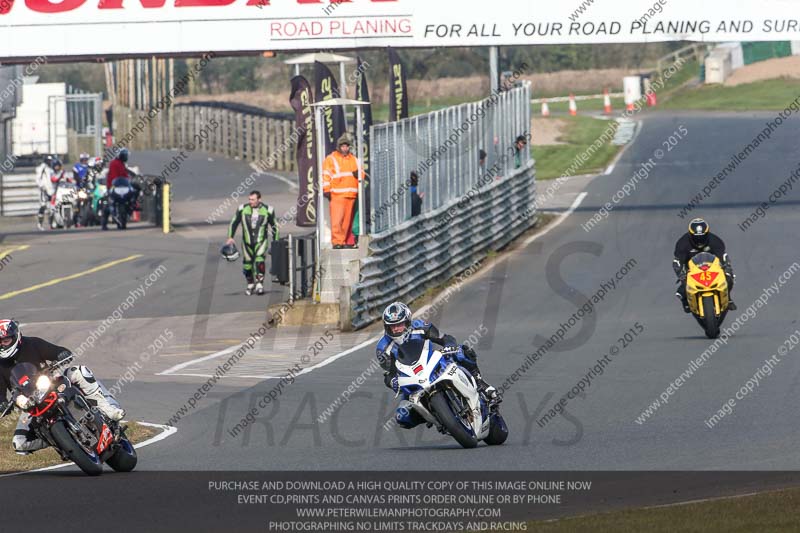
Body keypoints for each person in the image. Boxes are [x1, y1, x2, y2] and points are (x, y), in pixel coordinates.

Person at [0, 319, 124, 455]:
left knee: (79, 371)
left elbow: (57, 351)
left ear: (16, 336)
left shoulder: (32, 343)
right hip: (30, 403)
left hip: (51, 384)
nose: (2, 345)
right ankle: (59, 440)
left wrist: (61, 354)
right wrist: (3, 403)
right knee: (19, 442)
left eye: (5, 340)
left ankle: (109, 409)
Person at [376, 302, 499, 430]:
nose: (395, 329)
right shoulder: (383, 347)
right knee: (402, 417)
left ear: (407, 321)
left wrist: (449, 346)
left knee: (462, 352)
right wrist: (393, 382)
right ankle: (437, 417)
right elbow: (389, 374)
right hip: (411, 380)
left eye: (399, 324)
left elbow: (446, 338)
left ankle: (481, 384)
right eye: (392, 326)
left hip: (433, 363)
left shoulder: (420, 326)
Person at [673, 217, 736, 313]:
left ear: (707, 234)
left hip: (712, 267)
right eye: (696, 237)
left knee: (729, 278)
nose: (699, 240)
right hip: (691, 269)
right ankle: (685, 301)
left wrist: (727, 267)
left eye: (702, 237)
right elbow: (677, 262)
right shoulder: (682, 243)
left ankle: (728, 298)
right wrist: (681, 274)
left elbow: (723, 256)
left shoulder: (715, 241)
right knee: (683, 288)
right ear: (690, 235)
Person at [226, 191, 278, 296]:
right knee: (247, 265)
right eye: (249, 199)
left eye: (253, 199)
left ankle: (259, 284)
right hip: (246, 242)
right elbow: (234, 222)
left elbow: (275, 227)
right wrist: (230, 237)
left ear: (259, 199)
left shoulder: (269, 210)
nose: (251, 202)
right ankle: (250, 284)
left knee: (260, 261)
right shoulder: (242, 209)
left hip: (261, 242)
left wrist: (276, 242)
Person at [323, 133, 364, 249]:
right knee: (337, 221)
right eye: (343, 146)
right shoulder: (331, 159)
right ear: (339, 147)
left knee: (346, 222)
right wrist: (327, 190)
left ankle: (343, 241)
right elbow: (326, 175)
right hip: (337, 194)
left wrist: (359, 174)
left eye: (346, 146)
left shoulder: (354, 160)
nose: (345, 148)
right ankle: (337, 242)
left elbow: (362, 174)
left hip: (351, 195)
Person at [36, 158, 64, 231]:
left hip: (51, 190)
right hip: (44, 190)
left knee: (51, 207)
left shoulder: (51, 168)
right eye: (49, 161)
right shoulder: (42, 168)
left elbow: (54, 179)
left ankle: (52, 223)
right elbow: (38, 179)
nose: (50, 162)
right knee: (43, 205)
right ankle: (40, 223)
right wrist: (42, 186)